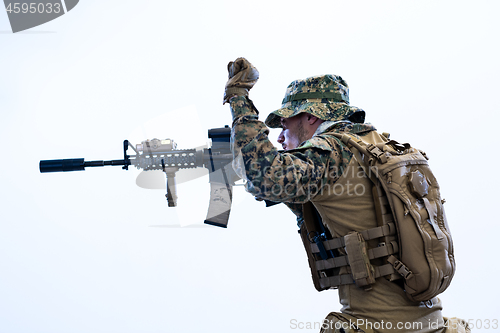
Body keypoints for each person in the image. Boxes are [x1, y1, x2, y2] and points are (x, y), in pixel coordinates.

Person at [223, 58, 469, 333]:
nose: (281, 137)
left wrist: (239, 98)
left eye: (285, 124)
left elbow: (263, 178)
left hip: (377, 327)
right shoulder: (378, 147)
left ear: (311, 117)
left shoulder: (330, 153)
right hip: (430, 325)